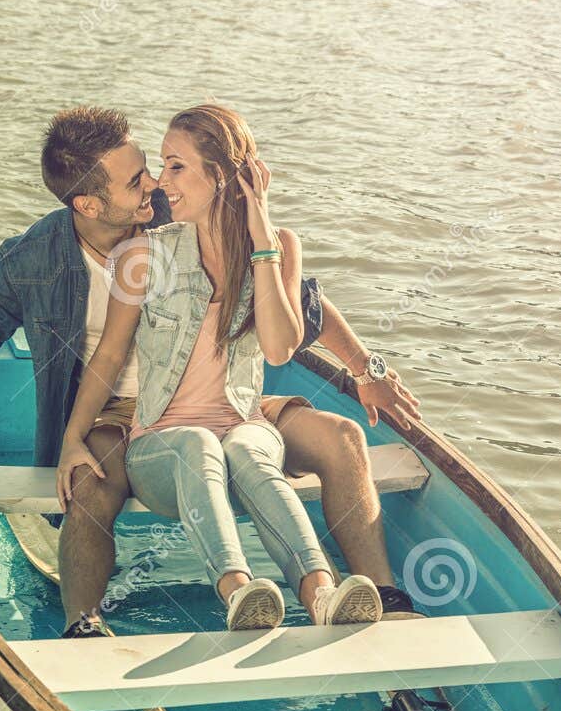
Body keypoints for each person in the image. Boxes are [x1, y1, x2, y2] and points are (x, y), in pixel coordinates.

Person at [0, 107, 421, 632]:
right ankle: (85, 626)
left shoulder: (180, 212)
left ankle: (384, 600)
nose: (155, 184)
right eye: (136, 181)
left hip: (227, 399)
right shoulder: (34, 261)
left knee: (343, 437)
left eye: (155, 170)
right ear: (88, 205)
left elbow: (294, 301)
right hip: (117, 412)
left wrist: (365, 369)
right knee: (90, 481)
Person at [59, 105, 382, 630]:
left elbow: (279, 349)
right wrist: (73, 438)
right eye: (162, 166)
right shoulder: (144, 255)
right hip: (161, 445)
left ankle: (322, 596)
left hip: (243, 424)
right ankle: (239, 593)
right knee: (198, 443)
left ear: (222, 176)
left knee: (248, 448)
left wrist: (262, 241)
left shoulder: (279, 248)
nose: (161, 182)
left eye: (176, 166)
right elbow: (110, 356)